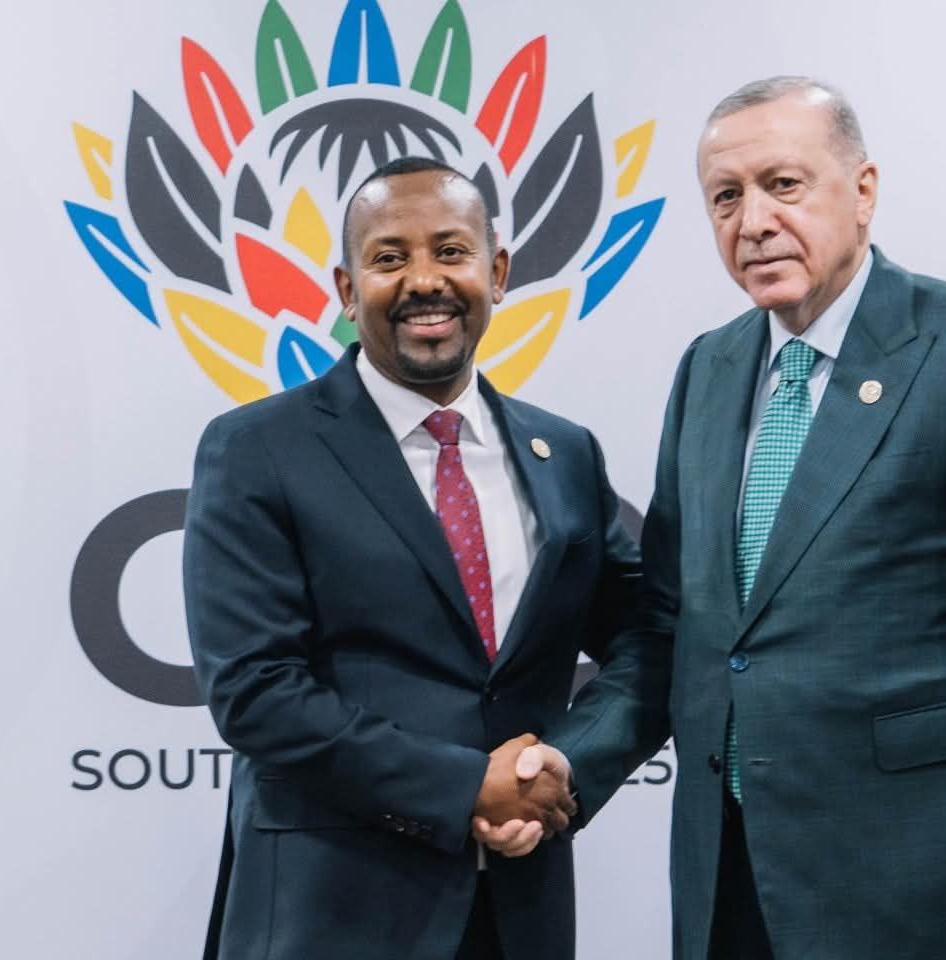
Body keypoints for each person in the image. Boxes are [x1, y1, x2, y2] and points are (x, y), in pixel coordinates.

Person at [480, 77, 946, 960]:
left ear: (864, 190)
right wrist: (570, 762)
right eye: (726, 197)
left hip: (915, 884)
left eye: (783, 185)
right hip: (726, 878)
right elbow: (672, 628)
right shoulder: (708, 369)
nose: (754, 221)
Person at [183, 156, 640, 960]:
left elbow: (648, 637)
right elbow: (254, 691)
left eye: (451, 251)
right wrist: (463, 788)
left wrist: (565, 767)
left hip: (519, 913)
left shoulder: (565, 452)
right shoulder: (256, 449)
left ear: (497, 272)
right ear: (346, 288)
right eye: (389, 257)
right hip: (328, 917)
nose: (425, 280)